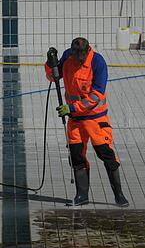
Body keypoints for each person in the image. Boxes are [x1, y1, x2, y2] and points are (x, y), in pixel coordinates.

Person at [45, 38, 129, 207]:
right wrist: (51, 62)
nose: (79, 60)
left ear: (88, 50)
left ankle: (119, 195)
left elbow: (96, 96)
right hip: (75, 121)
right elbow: (52, 77)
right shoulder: (68, 58)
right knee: (76, 157)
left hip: (95, 120)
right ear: (72, 52)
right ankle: (81, 195)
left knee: (106, 154)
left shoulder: (98, 63)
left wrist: (71, 108)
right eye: (77, 56)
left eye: (82, 56)